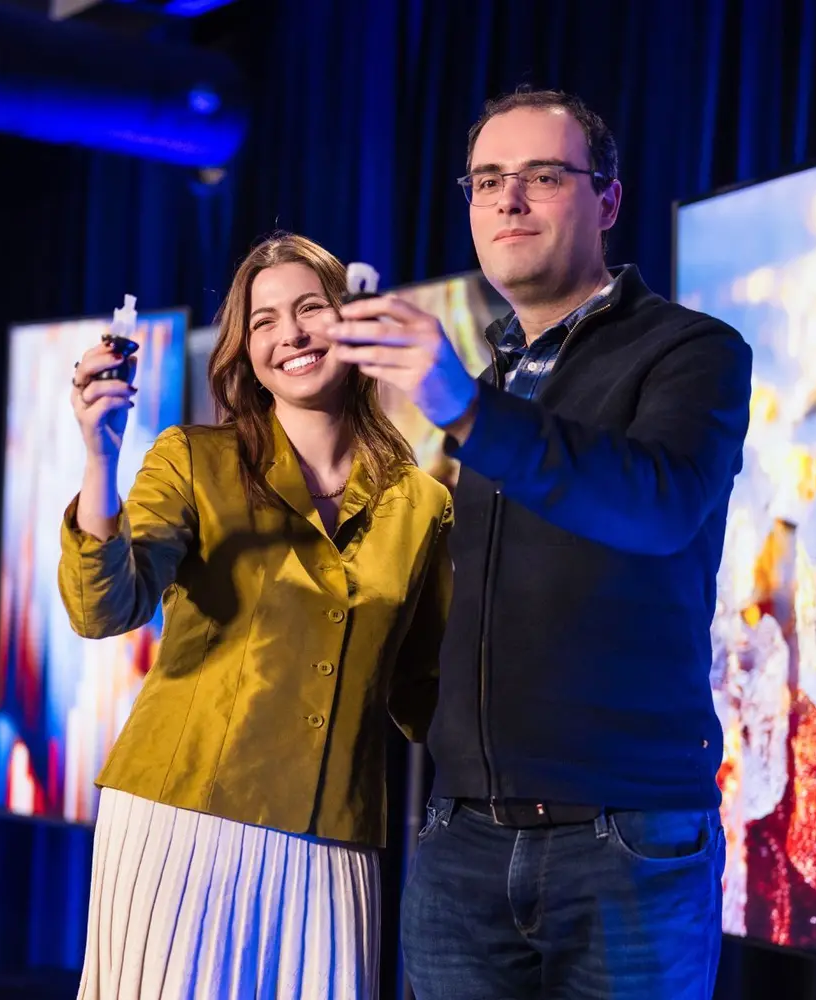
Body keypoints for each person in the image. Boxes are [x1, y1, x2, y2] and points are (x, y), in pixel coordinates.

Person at [325, 87, 753, 999]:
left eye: (542, 176)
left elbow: (659, 506)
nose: (508, 199)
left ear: (607, 202)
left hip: (627, 840)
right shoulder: (490, 381)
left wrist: (466, 413)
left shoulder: (692, 352)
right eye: (487, 180)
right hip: (462, 842)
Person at [58, 233, 453, 1000]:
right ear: (245, 349)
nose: (291, 334)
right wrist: (100, 460)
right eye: (264, 320)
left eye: (311, 308)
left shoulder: (422, 502)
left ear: (351, 320)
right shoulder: (192, 458)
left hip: (336, 838)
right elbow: (105, 607)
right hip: (182, 824)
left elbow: (427, 695)